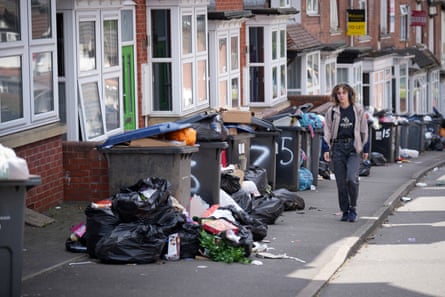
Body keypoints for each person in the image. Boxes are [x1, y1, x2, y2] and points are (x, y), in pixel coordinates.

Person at [322, 83, 369, 222]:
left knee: (351, 179)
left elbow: (364, 129)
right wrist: (326, 149)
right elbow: (327, 131)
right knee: (341, 182)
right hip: (338, 148)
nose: (341, 95)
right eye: (338, 93)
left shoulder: (358, 109)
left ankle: (353, 208)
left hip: (354, 147)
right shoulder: (332, 111)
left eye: (344, 92)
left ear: (349, 94)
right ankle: (345, 210)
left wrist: (365, 148)